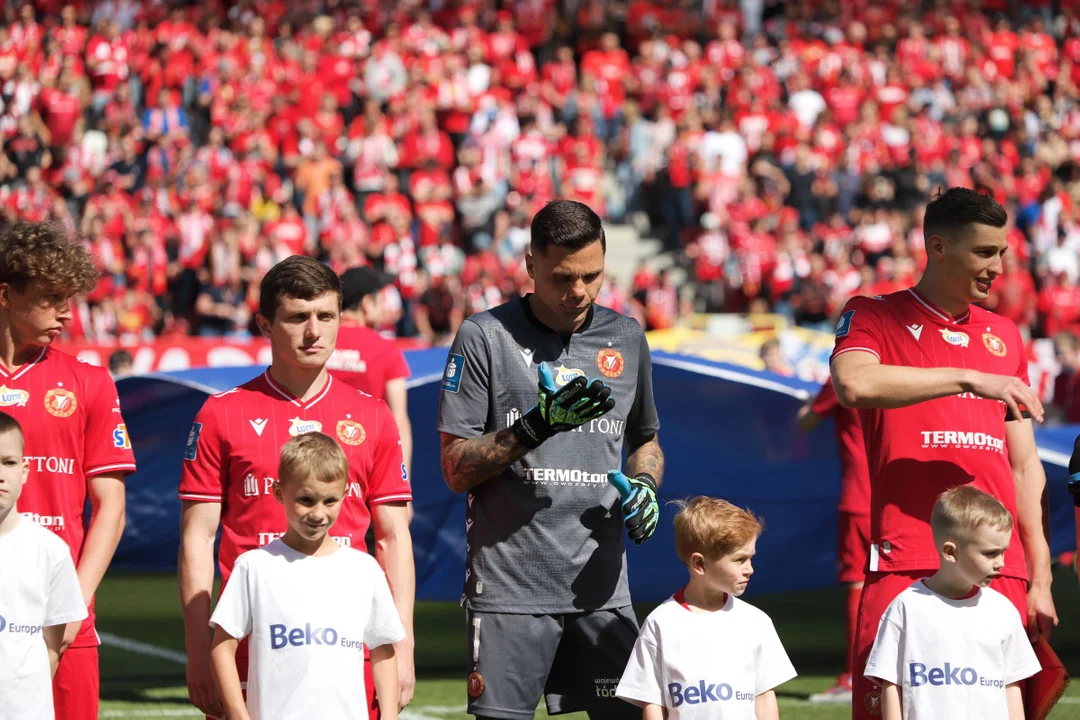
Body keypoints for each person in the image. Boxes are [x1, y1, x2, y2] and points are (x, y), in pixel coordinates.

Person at [830, 188, 1056, 720]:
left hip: (999, 568)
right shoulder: (873, 313)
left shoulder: (1006, 335)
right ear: (937, 246)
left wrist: (1039, 578)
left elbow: (1025, 468)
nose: (998, 267)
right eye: (984, 252)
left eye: (1001, 252)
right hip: (905, 558)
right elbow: (854, 383)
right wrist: (969, 378)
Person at [437, 199, 663, 719]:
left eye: (592, 275)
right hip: (509, 593)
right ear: (530, 265)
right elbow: (454, 468)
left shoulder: (626, 336)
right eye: (563, 277)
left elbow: (645, 440)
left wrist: (646, 486)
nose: (579, 291)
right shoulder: (483, 336)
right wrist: (538, 426)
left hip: (602, 590)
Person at [178, 256, 415, 720]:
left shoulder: (373, 415)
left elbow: (392, 536)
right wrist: (198, 649)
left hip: (349, 642)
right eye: (297, 317)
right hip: (250, 644)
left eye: (326, 316)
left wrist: (401, 642)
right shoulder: (219, 414)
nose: (314, 332)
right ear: (265, 323)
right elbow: (198, 538)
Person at [0, 221, 137, 720]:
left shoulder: (90, 382)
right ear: (5, 295)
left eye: (70, 297)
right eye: (50, 297)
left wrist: (72, 607)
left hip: (63, 613)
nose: (65, 311)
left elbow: (111, 508)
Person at [209, 432, 406, 720]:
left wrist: (389, 717)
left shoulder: (363, 569)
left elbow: (383, 649)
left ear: (345, 494)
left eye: (330, 501)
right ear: (279, 493)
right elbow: (222, 649)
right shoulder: (254, 567)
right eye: (306, 499)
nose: (318, 513)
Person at [865, 486, 1040, 720]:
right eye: (990, 553)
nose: (1001, 563)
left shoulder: (1003, 611)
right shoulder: (906, 607)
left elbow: (1012, 686)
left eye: (1003, 552)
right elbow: (890, 685)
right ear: (950, 552)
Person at [615, 496, 797, 720]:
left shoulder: (756, 622)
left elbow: (764, 695)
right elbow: (652, 702)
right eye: (740, 560)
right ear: (700, 564)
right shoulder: (661, 622)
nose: (749, 569)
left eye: (751, 558)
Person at [0, 411, 89, 720]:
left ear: (25, 470)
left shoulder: (50, 550)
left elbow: (53, 646)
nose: (1, 474)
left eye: (8, 462)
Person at [797, 377, 870, 704]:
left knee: (859, 584)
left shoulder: (846, 373)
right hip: (902, 500)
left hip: (860, 499)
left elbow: (806, 421)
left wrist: (805, 403)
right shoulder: (905, 365)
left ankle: (857, 678)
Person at [328, 266, 412, 477]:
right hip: (366, 469)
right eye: (381, 298)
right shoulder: (385, 350)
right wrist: (404, 483)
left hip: (316, 465)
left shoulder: (319, 342)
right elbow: (398, 422)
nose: (385, 305)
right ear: (366, 303)